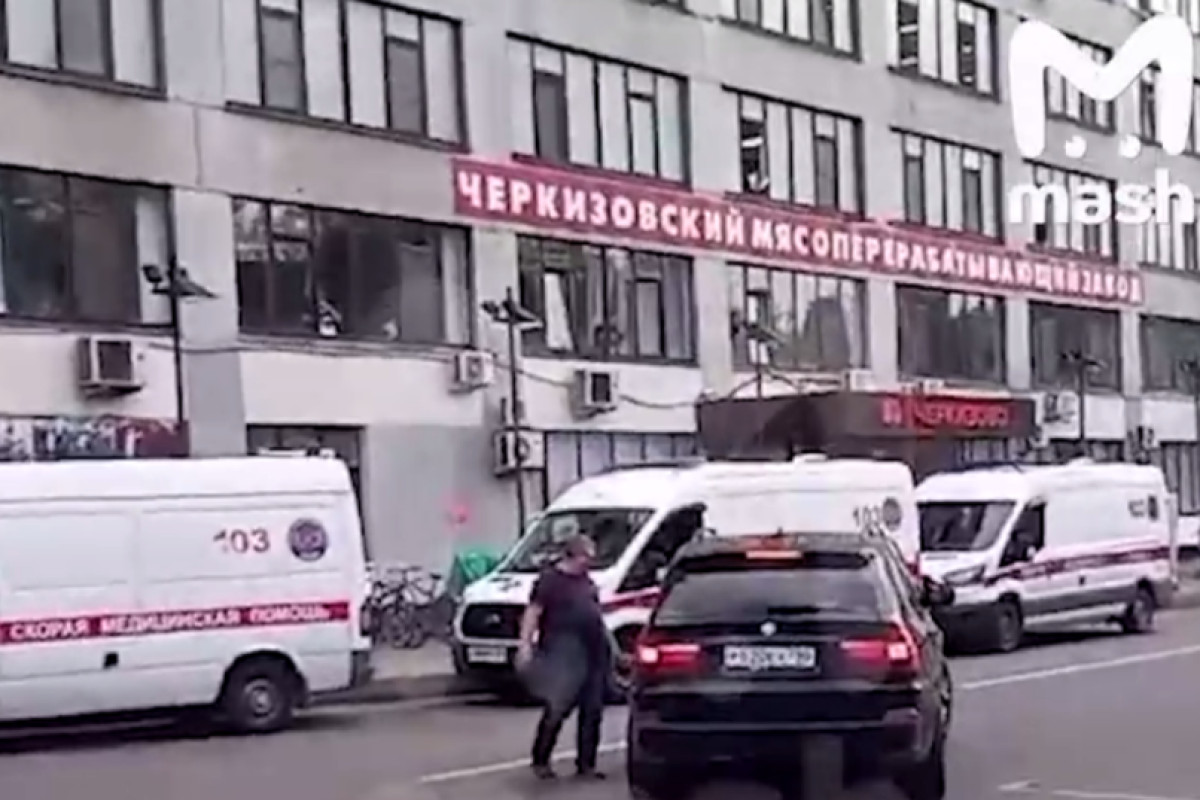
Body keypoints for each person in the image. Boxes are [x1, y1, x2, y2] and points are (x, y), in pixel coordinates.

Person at [517, 533, 613, 781]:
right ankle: (541, 759)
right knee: (558, 707)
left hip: (592, 652)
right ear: (573, 555)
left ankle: (586, 764)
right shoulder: (550, 580)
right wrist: (525, 645)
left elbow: (596, 617)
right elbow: (533, 613)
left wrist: (613, 650)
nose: (590, 562)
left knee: (592, 710)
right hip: (562, 652)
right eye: (587, 556)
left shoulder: (586, 581)